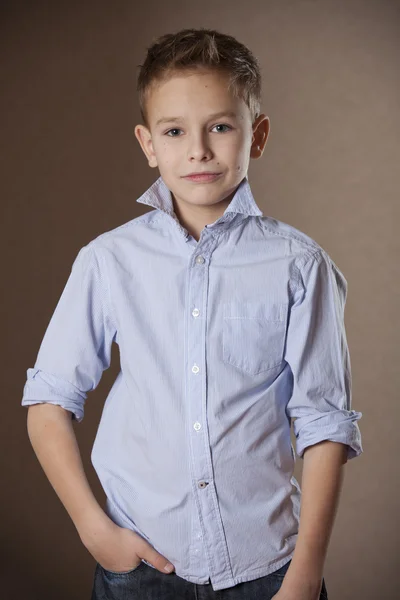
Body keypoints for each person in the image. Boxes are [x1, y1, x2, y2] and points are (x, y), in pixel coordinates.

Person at [21, 27, 363, 600]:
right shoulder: (109, 261)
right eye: (174, 131)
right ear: (147, 143)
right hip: (141, 568)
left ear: (257, 136)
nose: (198, 150)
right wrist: (94, 530)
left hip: (269, 568)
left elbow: (325, 425)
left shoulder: (301, 266)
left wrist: (304, 575)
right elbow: (48, 401)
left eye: (221, 127)